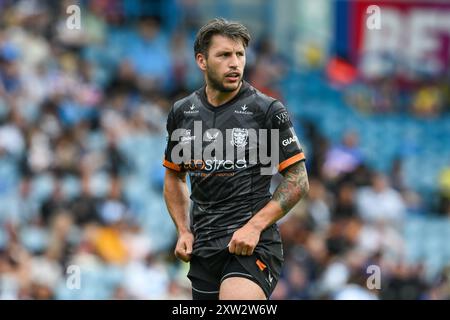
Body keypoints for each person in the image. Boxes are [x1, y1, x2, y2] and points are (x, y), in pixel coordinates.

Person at [162, 18, 309, 300]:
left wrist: (254, 227)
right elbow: (174, 175)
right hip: (203, 248)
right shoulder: (182, 112)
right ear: (202, 61)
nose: (235, 63)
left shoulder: (266, 110)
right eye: (224, 55)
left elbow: (298, 179)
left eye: (240, 55)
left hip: (252, 246)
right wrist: (183, 230)